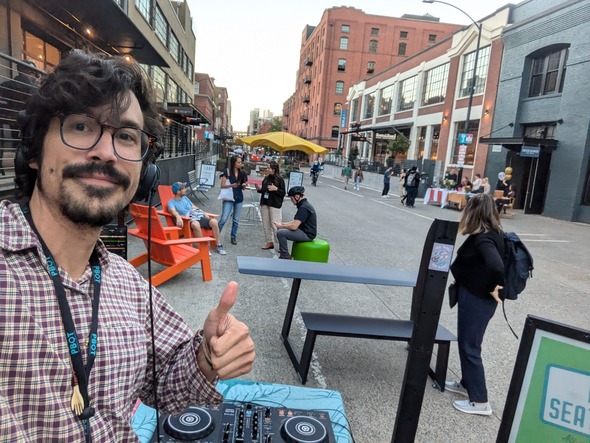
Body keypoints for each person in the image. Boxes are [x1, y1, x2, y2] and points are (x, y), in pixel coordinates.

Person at [0, 50, 255, 440]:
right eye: (82, 126)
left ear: (143, 170)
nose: (106, 152)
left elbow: (169, 385)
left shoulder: (128, 284)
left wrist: (208, 357)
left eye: (125, 136)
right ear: (34, 151)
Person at [446, 194, 504, 416]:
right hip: (478, 297)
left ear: (474, 211)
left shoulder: (484, 239)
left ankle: (480, 402)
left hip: (478, 298)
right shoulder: (493, 233)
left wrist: (491, 286)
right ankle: (466, 383)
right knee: (469, 342)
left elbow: (496, 267)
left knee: (470, 346)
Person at [0, 60, 40, 175]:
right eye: (34, 73)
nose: (35, 76)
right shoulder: (34, 90)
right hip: (27, 125)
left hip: (7, 121)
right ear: (28, 72)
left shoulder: (5, 85)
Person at [167, 181, 226, 255]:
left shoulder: (185, 198)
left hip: (197, 215)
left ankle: (218, 245)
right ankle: (203, 247)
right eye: (184, 188)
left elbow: (194, 207)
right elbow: (173, 211)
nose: (186, 189)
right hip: (187, 220)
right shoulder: (171, 202)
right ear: (178, 191)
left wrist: (205, 214)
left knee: (214, 221)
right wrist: (178, 217)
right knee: (196, 224)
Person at [274, 186, 317, 260]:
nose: (291, 200)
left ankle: (285, 255)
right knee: (281, 229)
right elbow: (296, 221)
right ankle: (283, 251)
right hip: (304, 230)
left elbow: (294, 226)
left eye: (291, 198)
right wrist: (283, 224)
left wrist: (281, 226)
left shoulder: (303, 208)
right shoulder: (304, 205)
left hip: (307, 234)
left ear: (297, 197)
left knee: (281, 233)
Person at [255, 160, 286, 250]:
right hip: (265, 202)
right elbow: (264, 190)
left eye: (269, 168)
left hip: (275, 204)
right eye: (267, 167)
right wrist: (259, 189)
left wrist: (276, 189)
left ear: (274, 169)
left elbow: (283, 192)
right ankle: (269, 242)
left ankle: (281, 244)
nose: (267, 169)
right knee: (266, 224)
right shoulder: (266, 178)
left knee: (275, 224)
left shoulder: (279, 179)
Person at [218, 155, 248, 245]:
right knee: (224, 218)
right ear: (233, 163)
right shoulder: (227, 172)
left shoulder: (242, 173)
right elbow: (222, 185)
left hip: (239, 198)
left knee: (236, 220)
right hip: (228, 198)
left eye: (241, 162)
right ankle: (215, 234)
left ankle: (233, 236)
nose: (240, 164)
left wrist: (244, 185)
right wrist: (231, 185)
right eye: (238, 162)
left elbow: (245, 183)